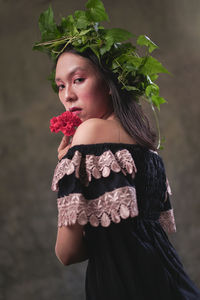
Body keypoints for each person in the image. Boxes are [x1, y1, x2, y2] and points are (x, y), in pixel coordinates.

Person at [33, 2, 200, 299]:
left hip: (123, 285)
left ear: (109, 83)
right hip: (168, 279)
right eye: (60, 86)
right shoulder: (145, 144)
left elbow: (67, 252)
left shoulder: (89, 132)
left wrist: (70, 171)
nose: (67, 95)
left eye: (78, 79)